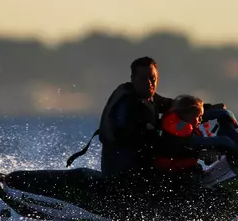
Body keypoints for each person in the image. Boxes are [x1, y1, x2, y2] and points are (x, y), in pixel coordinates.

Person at [66, 57, 229, 177]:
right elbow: (154, 146)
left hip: (140, 165)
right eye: (142, 79)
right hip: (126, 174)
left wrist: (209, 109)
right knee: (181, 171)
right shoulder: (130, 106)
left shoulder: (146, 96)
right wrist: (196, 153)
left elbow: (174, 106)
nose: (149, 83)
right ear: (132, 79)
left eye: (152, 78)